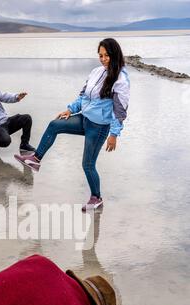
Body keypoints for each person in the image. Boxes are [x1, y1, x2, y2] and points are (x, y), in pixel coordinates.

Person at [14, 38, 130, 211]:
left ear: (115, 54)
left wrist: (114, 134)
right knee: (55, 124)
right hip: (84, 118)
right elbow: (84, 96)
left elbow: (119, 111)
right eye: (101, 55)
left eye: (107, 55)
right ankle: (35, 159)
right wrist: (70, 109)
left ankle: (96, 198)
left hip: (99, 127)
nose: (104, 59)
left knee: (87, 164)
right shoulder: (96, 71)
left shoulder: (120, 79)